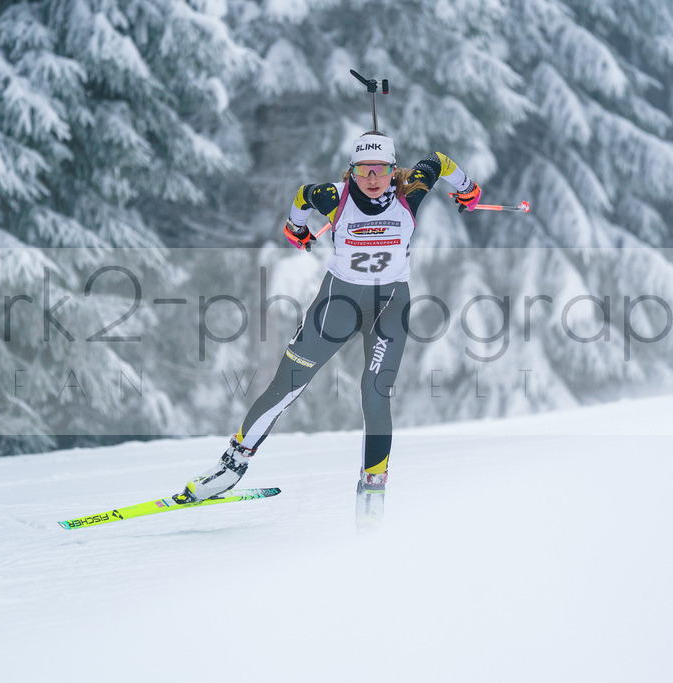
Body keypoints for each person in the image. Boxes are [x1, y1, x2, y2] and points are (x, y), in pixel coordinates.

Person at [174, 131, 481, 530]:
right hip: (336, 304)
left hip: (389, 307)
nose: (372, 178)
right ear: (351, 171)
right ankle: (231, 466)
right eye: (363, 170)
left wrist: (468, 190)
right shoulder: (333, 196)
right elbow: (302, 196)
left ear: (393, 171)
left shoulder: (412, 191)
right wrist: (295, 227)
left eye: (381, 170)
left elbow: (440, 159)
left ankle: (373, 490)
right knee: (286, 385)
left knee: (375, 394)